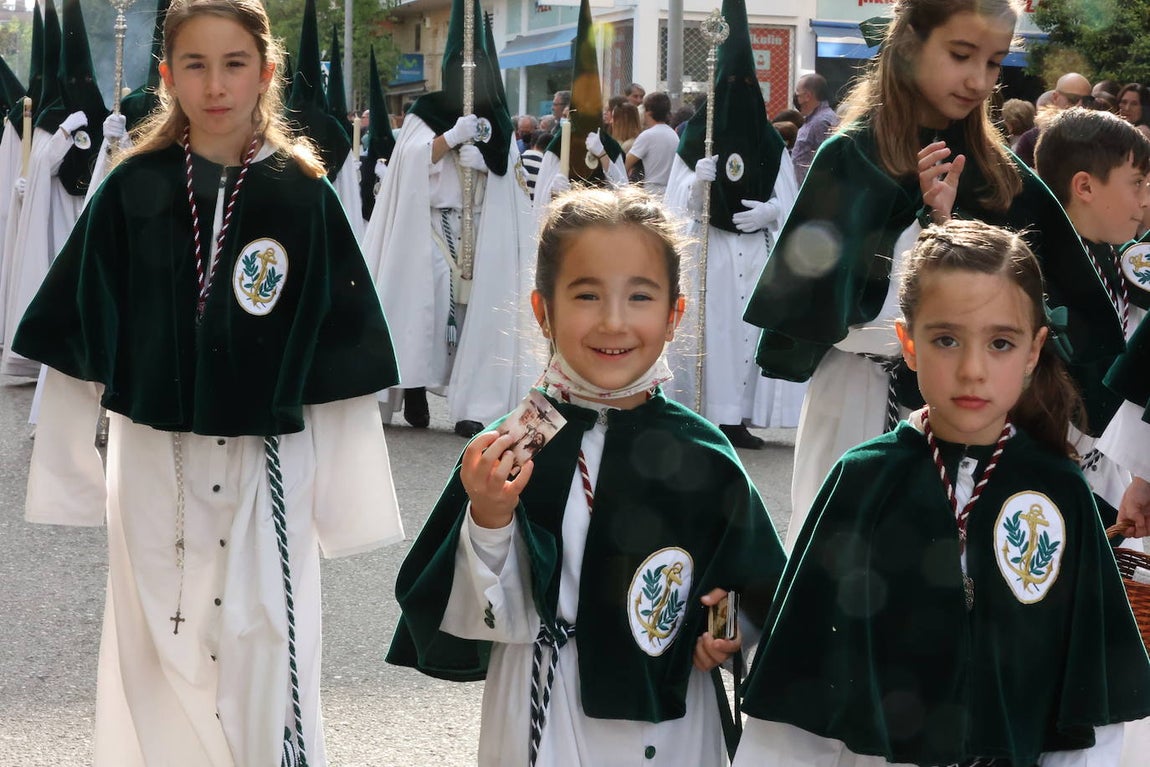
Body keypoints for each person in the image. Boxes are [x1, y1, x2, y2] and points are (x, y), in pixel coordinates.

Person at [9, 0, 405, 763]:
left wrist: (341, 498)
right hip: (155, 459)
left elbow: (340, 359)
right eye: (195, 64)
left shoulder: (302, 195)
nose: (215, 84)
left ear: (264, 72)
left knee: (264, 634)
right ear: (167, 76)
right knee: (159, 643)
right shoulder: (130, 191)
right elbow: (78, 332)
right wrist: (72, 473)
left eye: (233, 64)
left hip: (269, 464)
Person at [387, 186, 786, 766]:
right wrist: (490, 517)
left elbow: (753, 587)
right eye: (587, 294)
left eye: (640, 296)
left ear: (674, 314)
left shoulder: (702, 453)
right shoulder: (508, 448)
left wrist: (729, 628)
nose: (614, 321)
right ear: (543, 309)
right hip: (541, 704)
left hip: (669, 720)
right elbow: (471, 613)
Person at [735, 219, 1150, 766]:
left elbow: (1092, 709)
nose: (973, 369)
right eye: (946, 339)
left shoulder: (1060, 492)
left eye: (1001, 343)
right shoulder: (863, 481)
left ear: (1033, 352)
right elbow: (799, 700)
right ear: (908, 343)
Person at [743, 0, 1126, 551]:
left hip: (983, 409)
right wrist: (914, 233)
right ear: (909, 47)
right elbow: (813, 308)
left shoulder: (1000, 176)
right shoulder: (850, 158)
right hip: (859, 398)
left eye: (994, 63)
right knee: (851, 568)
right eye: (961, 55)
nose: (978, 80)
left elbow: (1064, 307)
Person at [363, 0, 535, 440]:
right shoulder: (428, 110)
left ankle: (470, 401)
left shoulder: (497, 117)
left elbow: (511, 179)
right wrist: (450, 139)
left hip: (481, 228)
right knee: (429, 307)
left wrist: (489, 165)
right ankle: (415, 384)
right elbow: (411, 163)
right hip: (435, 226)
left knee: (474, 314)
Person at [664, 0, 801, 447]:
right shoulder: (694, 136)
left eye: (747, 84)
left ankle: (738, 417)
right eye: (732, 84)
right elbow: (676, 202)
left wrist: (771, 211)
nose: (739, 91)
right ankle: (708, 413)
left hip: (754, 249)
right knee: (716, 334)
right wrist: (696, 183)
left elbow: (789, 199)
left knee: (747, 337)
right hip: (712, 250)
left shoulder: (768, 141)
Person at [1033, 107, 1150, 529]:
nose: (1144, 198)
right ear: (1084, 186)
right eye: (1136, 183)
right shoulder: (1033, 270)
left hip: (1109, 470)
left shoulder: (1120, 259)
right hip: (1047, 468)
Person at [1014, 71, 1092, 167]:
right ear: (1055, 98)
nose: (1080, 106)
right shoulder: (1030, 140)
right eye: (1073, 99)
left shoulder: (1098, 138)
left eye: (1087, 101)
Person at [625, 92, 680, 195]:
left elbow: (625, 164)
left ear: (649, 112)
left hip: (651, 192)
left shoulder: (647, 136)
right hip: (670, 192)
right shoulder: (673, 135)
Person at [790, 72, 839, 186]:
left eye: (798, 95)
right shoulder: (815, 119)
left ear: (807, 96)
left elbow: (827, 163)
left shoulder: (821, 122)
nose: (796, 100)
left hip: (811, 194)